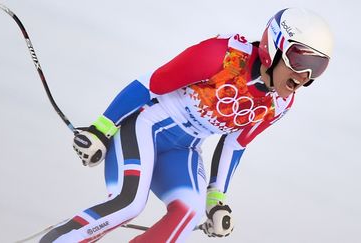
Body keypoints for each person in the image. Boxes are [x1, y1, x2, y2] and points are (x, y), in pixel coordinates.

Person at [40, 7, 333, 243]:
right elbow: (151, 84)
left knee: (190, 213)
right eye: (300, 60)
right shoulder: (223, 55)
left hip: (184, 150)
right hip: (144, 127)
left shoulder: (278, 105)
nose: (305, 76)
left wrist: (216, 199)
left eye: (317, 67)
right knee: (129, 204)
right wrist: (101, 129)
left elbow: (235, 145)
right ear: (275, 46)